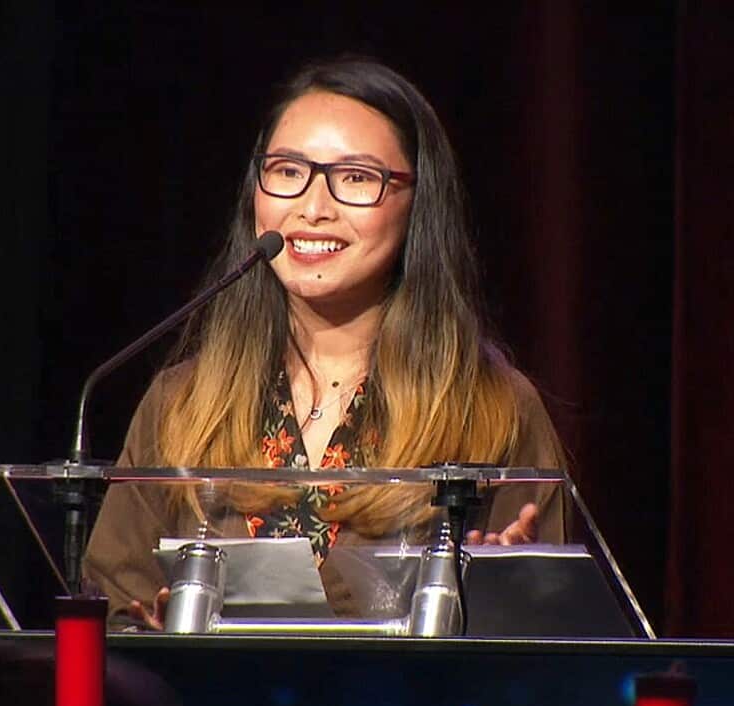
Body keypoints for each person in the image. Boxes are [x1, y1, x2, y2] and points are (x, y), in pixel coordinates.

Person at [84, 57, 567, 629]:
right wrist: (157, 633)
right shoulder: (182, 403)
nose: (313, 209)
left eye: (356, 178)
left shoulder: (491, 408)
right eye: (288, 171)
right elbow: (111, 608)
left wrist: (508, 597)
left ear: (418, 203)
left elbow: (547, 634)